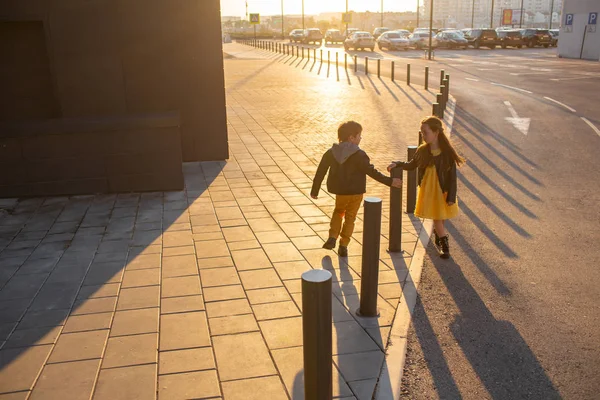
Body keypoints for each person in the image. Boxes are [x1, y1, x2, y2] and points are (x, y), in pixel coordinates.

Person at [311, 121, 402, 257]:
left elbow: (321, 171)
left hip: (340, 192)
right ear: (351, 138)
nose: (361, 138)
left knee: (338, 212)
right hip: (356, 193)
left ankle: (332, 236)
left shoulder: (331, 152)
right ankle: (344, 244)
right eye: (359, 135)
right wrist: (390, 181)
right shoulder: (359, 154)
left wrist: (315, 190)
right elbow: (372, 172)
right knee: (350, 217)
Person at [387, 116, 465, 259]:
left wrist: (452, 196)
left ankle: (439, 234)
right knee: (437, 217)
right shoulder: (422, 151)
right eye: (422, 132)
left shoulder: (446, 153)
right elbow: (411, 165)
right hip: (428, 191)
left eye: (425, 132)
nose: (423, 135)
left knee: (440, 217)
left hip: (442, 190)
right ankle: (444, 245)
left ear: (436, 133)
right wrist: (397, 164)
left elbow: (452, 178)